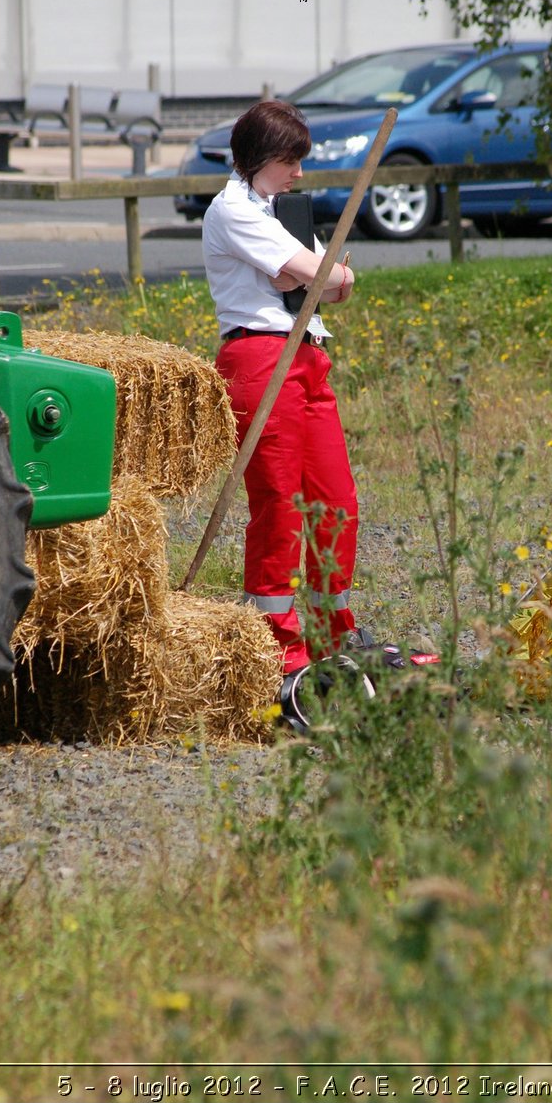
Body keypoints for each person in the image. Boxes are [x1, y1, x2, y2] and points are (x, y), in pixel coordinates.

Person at [202, 99, 363, 684]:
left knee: (335, 499)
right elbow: (326, 276)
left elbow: (331, 286)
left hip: (308, 355)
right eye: (289, 160)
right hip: (261, 355)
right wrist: (317, 275)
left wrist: (313, 275)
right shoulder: (231, 211)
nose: (299, 172)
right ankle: (275, 645)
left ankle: (329, 634)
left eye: (300, 160)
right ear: (257, 158)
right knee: (279, 504)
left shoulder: (284, 212)